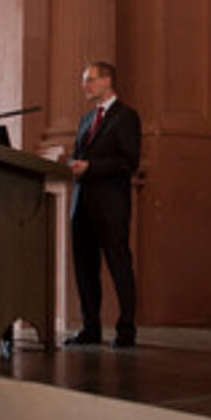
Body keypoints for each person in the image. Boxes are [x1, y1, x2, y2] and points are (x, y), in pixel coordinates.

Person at [66, 61, 141, 348]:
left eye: (90, 79)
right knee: (85, 269)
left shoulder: (126, 116)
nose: (85, 85)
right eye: (84, 80)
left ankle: (126, 329)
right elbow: (78, 155)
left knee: (119, 266)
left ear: (108, 80)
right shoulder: (86, 118)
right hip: (82, 204)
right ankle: (90, 328)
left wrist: (91, 167)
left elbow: (128, 161)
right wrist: (73, 165)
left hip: (111, 205)